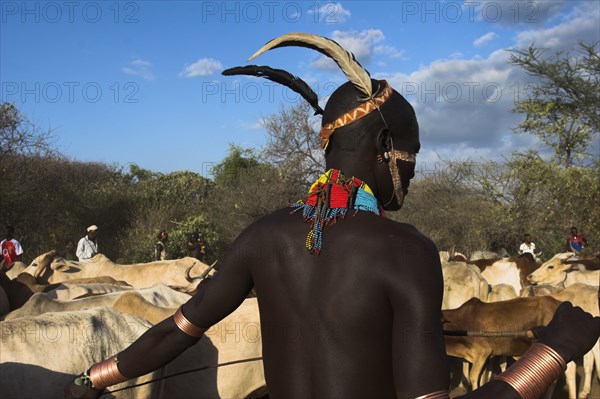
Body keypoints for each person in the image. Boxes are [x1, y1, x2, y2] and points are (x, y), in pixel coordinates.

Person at [65, 33, 599, 399]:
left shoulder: (261, 236)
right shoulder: (405, 250)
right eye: (413, 152)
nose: (413, 170)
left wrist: (92, 379)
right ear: (387, 145)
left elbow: (175, 333)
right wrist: (551, 352)